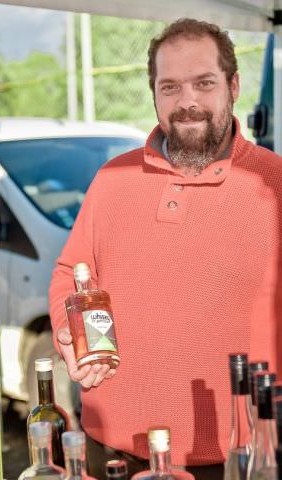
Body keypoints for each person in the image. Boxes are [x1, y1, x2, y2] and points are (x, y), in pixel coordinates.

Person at [49, 18, 282, 480]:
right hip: (110, 453)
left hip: (235, 461)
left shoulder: (272, 183)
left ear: (233, 85)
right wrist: (66, 331)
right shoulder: (112, 178)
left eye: (204, 83)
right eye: (170, 86)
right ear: (153, 92)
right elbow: (68, 273)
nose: (187, 101)